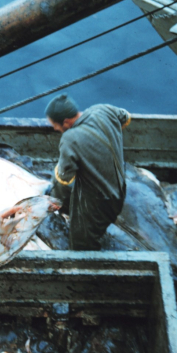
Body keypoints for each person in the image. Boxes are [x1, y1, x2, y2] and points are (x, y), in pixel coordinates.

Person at [45, 93, 131, 250]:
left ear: (65, 122)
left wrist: (56, 202)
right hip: (120, 189)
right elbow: (126, 117)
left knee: (80, 245)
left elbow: (64, 180)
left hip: (100, 205)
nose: (55, 129)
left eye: (55, 126)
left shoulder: (70, 139)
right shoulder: (103, 109)